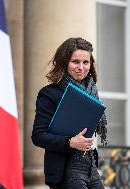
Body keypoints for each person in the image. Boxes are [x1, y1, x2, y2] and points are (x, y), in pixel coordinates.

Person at [31, 37, 107, 189]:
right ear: (64, 62)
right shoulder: (49, 94)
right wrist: (70, 142)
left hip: (90, 166)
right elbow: (38, 136)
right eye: (75, 62)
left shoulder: (92, 91)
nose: (81, 67)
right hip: (66, 169)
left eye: (86, 62)